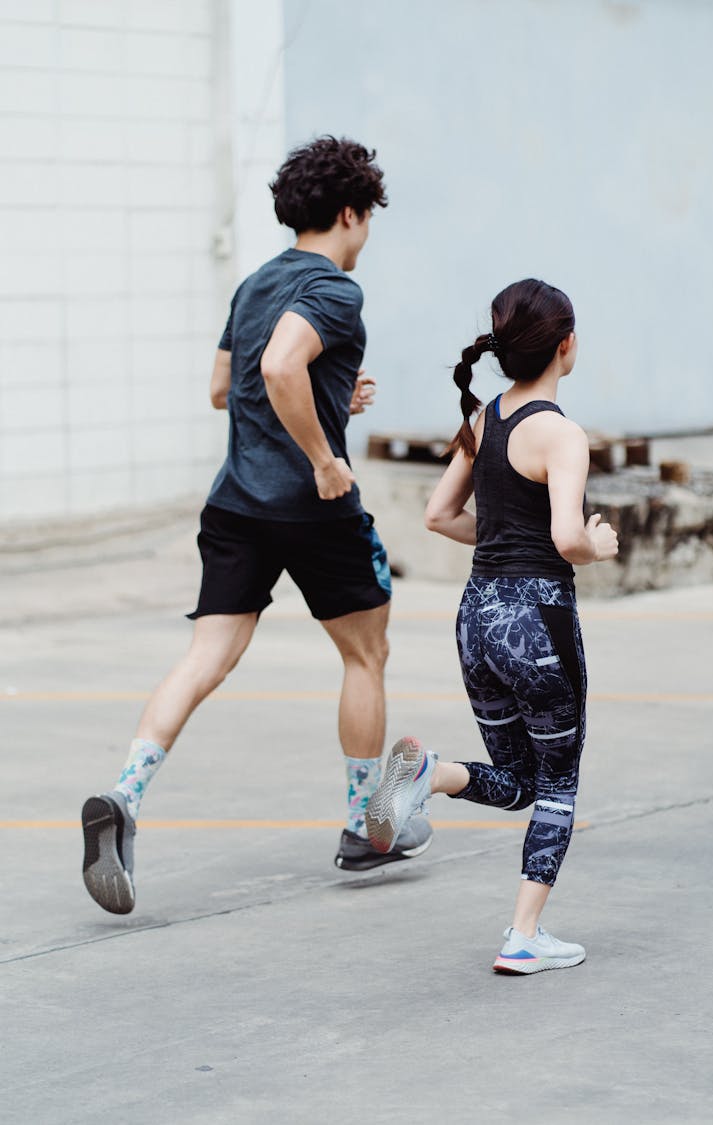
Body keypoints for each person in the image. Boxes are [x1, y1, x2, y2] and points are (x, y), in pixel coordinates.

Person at [81, 136, 432, 915]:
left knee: (207, 656)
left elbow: (223, 386)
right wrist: (322, 454)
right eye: (367, 215)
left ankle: (124, 794)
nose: (366, 230)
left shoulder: (254, 282)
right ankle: (361, 828)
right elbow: (278, 368)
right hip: (312, 508)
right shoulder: (334, 289)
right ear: (349, 212)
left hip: (236, 503)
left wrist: (332, 397)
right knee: (365, 652)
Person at [365, 279, 618, 974]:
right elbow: (567, 537)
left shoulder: (484, 420)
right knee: (558, 785)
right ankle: (524, 935)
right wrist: (596, 544)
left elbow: (440, 517)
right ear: (566, 346)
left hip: (477, 619)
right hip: (537, 622)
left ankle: (428, 772)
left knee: (516, 780)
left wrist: (509, 535)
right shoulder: (562, 435)